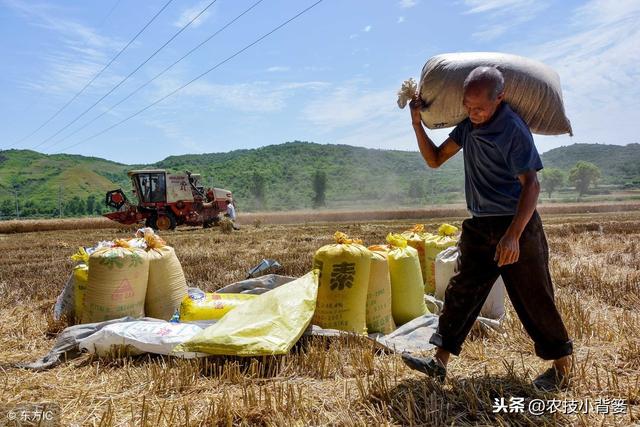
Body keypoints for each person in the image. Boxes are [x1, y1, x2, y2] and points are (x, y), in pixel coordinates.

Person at [401, 66, 573, 391]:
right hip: (480, 227)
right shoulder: (468, 127)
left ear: (500, 98)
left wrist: (513, 235)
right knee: (461, 292)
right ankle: (438, 361)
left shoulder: (512, 129)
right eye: (468, 105)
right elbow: (436, 159)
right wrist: (415, 124)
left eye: (480, 107)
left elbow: (532, 185)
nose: (474, 113)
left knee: (535, 298)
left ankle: (562, 367)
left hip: (517, 225)